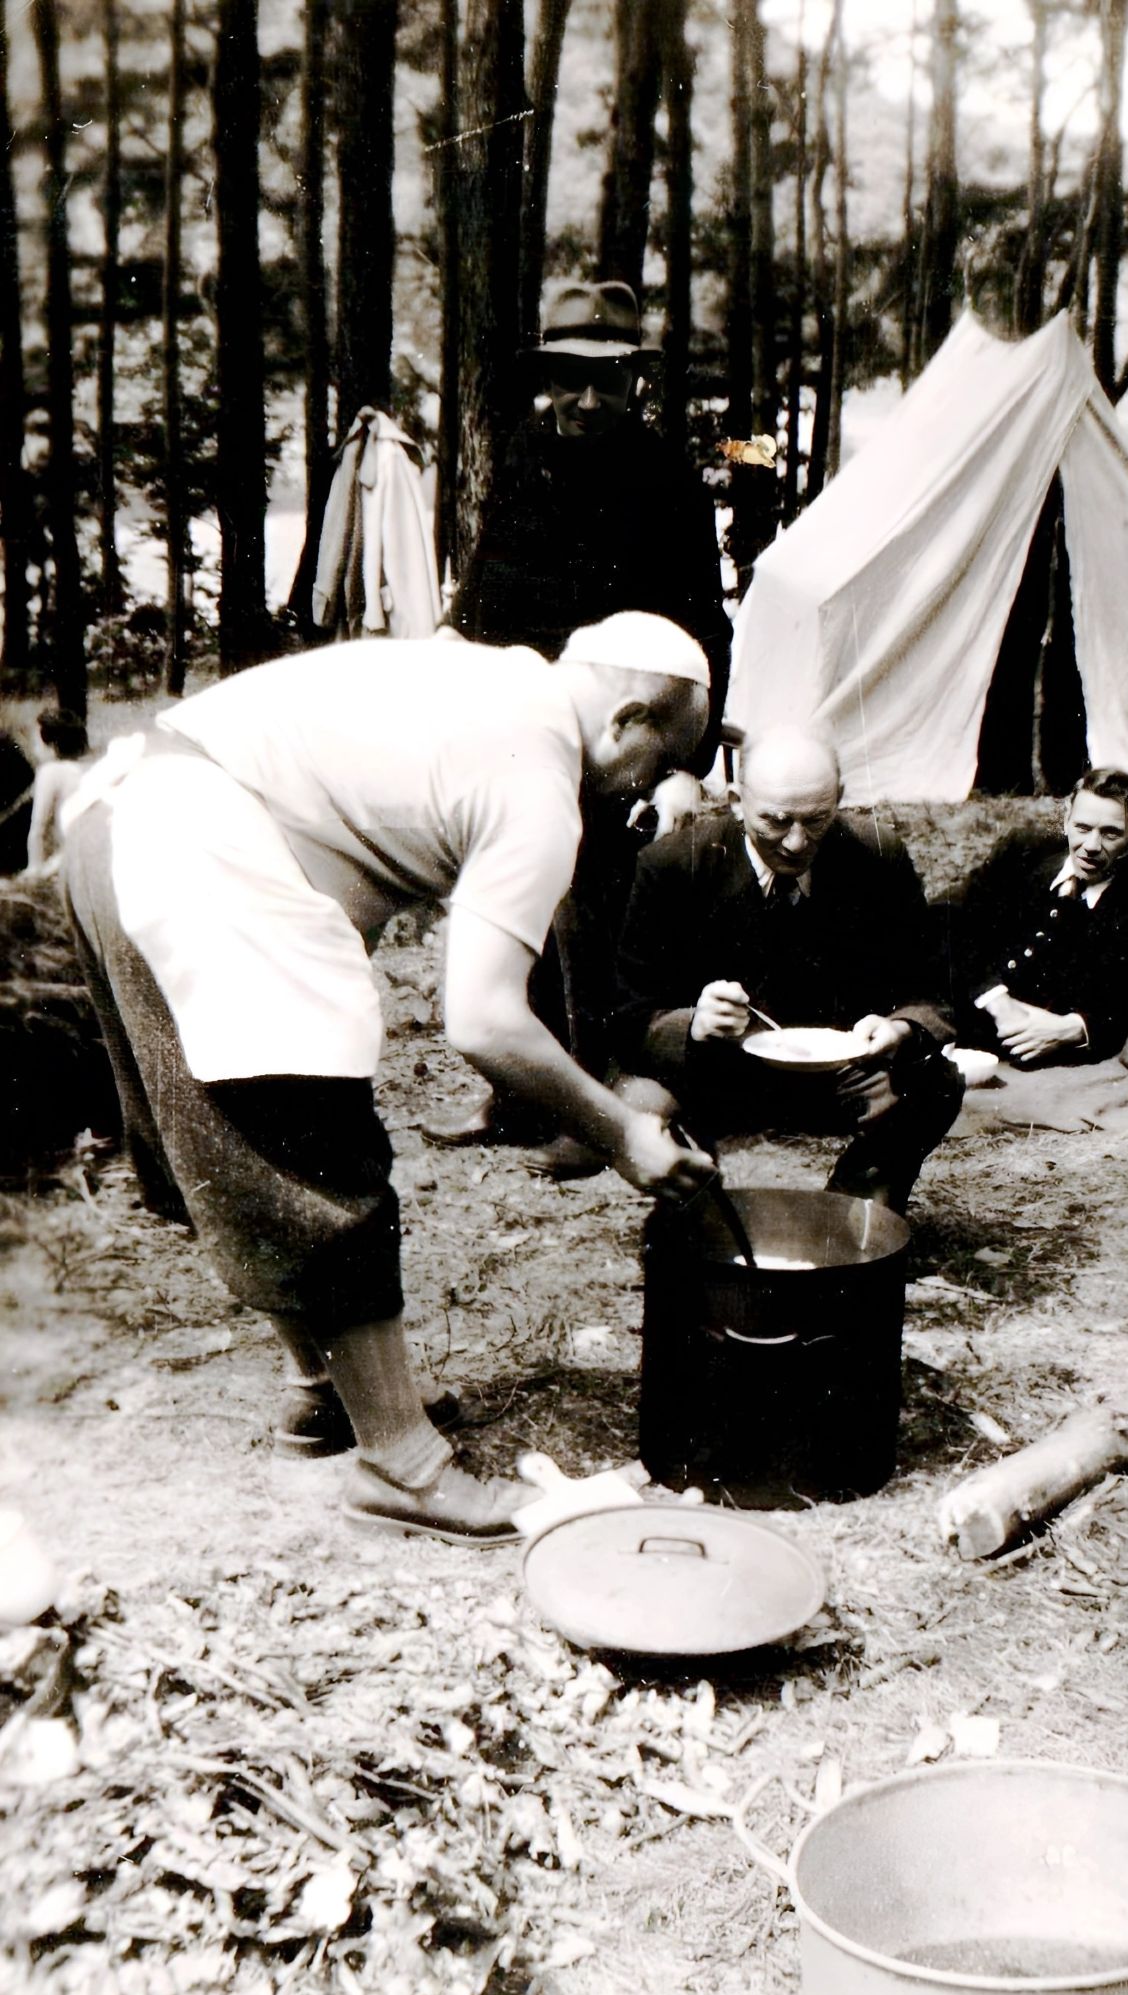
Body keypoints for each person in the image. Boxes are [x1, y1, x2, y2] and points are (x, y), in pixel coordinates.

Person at [62, 612, 717, 1545]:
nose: (644, 792)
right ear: (626, 717)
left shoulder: (490, 680)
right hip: (196, 847)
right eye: (657, 764)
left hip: (118, 818)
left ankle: (325, 1391)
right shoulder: (539, 781)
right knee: (315, 1157)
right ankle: (402, 1468)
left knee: (256, 1139)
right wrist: (619, 1133)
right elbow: (484, 1018)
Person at [448, 281, 732, 1155]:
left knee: (602, 914)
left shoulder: (667, 479)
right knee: (511, 904)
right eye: (570, 378)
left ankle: (598, 1099)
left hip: (624, 735)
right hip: (521, 722)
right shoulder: (524, 455)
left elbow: (707, 628)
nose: (586, 399)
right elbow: (484, 594)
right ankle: (517, 1092)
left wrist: (689, 761)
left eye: (606, 382)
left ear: (635, 384)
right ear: (547, 376)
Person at [611, 725, 964, 1213]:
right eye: (776, 821)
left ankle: (853, 1213)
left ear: (840, 798)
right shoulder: (672, 865)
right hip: (715, 1074)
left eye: (817, 819)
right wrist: (693, 1022)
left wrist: (899, 1029)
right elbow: (629, 1016)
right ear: (735, 801)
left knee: (937, 1080)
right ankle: (707, 1224)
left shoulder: (876, 855)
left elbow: (932, 993)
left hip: (837, 1073)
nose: (797, 843)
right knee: (639, 1103)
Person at [953, 768, 1128, 1065]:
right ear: (1067, 818)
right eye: (1083, 828)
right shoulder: (1022, 854)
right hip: (966, 1027)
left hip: (1050, 1066)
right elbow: (954, 925)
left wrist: (1073, 1029)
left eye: (1111, 833)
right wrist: (997, 1001)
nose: (1092, 846)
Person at [23, 707, 89, 878]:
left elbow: (39, 829)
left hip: (66, 858)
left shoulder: (49, 771)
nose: (34, 749)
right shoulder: (83, 769)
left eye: (37, 743)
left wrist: (34, 869)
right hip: (86, 852)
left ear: (51, 747)